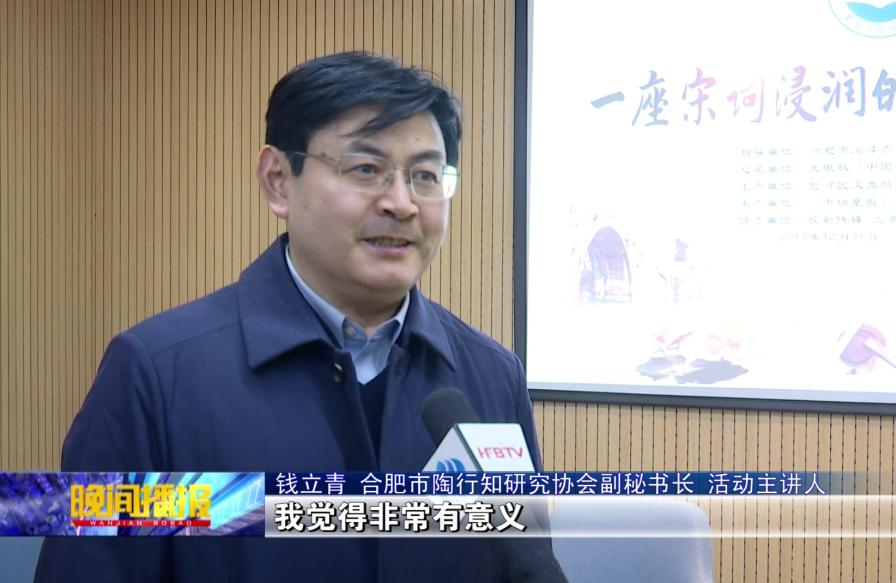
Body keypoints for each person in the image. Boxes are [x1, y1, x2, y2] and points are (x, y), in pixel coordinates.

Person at [37, 51, 544, 582]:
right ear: (278, 180)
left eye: (425, 175)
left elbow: (527, 565)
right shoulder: (157, 376)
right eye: (366, 169)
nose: (402, 203)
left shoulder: (493, 378)